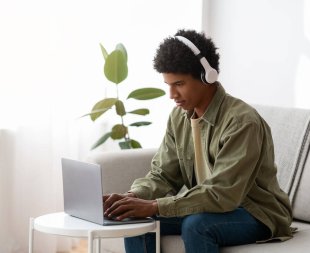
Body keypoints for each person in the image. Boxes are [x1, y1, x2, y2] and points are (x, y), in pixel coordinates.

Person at [103, 29, 293, 253]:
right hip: (209, 207)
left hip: (255, 212)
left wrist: (155, 205)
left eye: (179, 84)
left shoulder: (242, 122)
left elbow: (223, 194)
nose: (172, 94)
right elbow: (163, 174)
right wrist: (133, 198)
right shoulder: (178, 117)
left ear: (207, 76)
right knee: (134, 219)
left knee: (197, 226)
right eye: (169, 85)